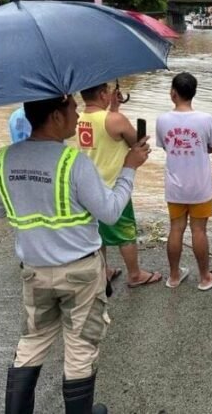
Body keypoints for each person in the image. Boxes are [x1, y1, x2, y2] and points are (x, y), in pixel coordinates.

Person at [0, 95, 151, 414]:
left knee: (32, 343)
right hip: (79, 273)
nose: (77, 114)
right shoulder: (73, 162)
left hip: (34, 271)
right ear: (55, 116)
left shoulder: (3, 158)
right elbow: (110, 212)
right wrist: (129, 168)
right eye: (71, 108)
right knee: (80, 349)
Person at [77, 82, 162, 290]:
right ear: (103, 93)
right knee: (125, 232)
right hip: (113, 186)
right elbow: (137, 143)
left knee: (98, 234)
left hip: (87, 187)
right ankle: (135, 274)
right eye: (107, 91)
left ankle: (103, 272)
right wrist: (115, 112)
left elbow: (101, 135)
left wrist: (113, 108)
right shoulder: (115, 120)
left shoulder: (77, 119)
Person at [155, 72, 212, 290]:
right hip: (199, 186)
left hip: (175, 185)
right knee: (199, 231)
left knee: (176, 228)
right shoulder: (206, 119)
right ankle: (205, 277)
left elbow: (166, 146)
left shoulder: (162, 120)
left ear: (173, 93)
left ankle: (174, 276)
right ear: (193, 93)